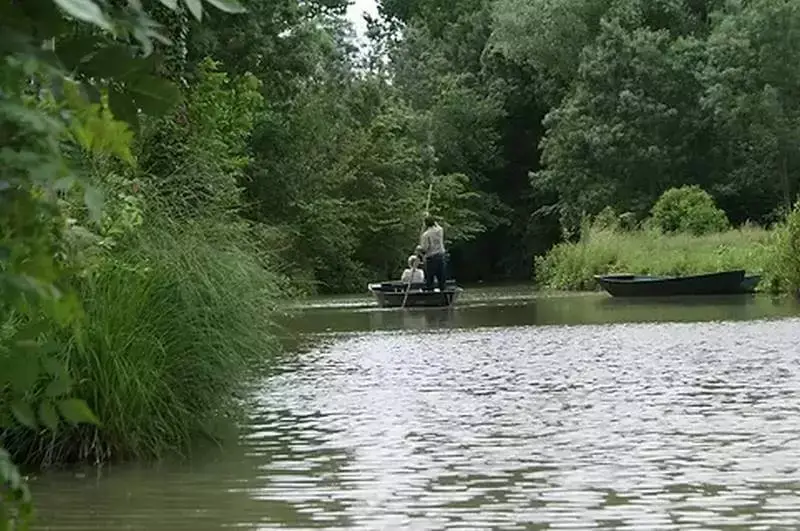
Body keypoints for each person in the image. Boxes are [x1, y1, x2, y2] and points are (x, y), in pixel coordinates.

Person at [419, 215, 447, 291]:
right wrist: (428, 216)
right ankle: (443, 294)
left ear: (425, 224)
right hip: (441, 257)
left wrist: (419, 248)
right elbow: (437, 224)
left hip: (431, 259)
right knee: (441, 279)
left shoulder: (425, 235)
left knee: (430, 280)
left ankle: (430, 294)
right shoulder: (440, 230)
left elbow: (425, 248)